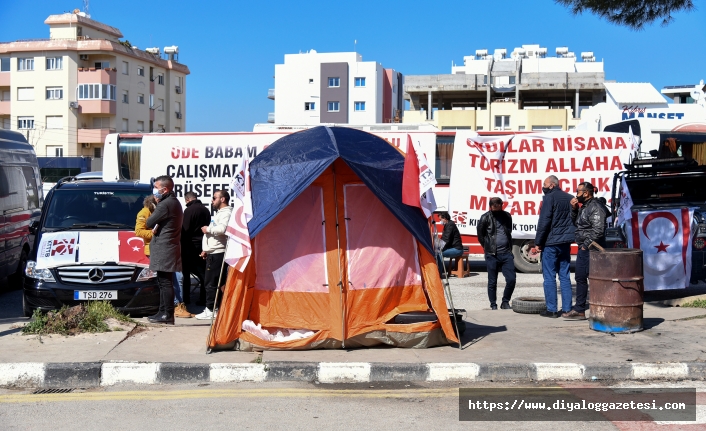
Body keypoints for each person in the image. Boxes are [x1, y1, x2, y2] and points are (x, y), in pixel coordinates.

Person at [136, 195, 192, 319]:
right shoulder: (144, 212)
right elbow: (139, 231)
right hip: (153, 248)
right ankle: (170, 308)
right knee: (166, 281)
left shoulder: (167, 208)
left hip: (165, 248)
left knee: (173, 280)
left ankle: (173, 307)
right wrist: (152, 233)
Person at [531, 175, 576, 318]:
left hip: (551, 242)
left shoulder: (549, 198)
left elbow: (544, 221)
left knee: (549, 276)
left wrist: (538, 242)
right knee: (565, 276)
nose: (543, 187)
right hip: (565, 242)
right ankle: (567, 309)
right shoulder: (569, 197)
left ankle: (552, 310)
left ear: (552, 185)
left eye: (544, 184)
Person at [145, 175, 184, 324]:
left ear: (165, 189)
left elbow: (149, 222)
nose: (154, 190)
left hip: (165, 247)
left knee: (165, 282)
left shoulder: (165, 204)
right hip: (167, 247)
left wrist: (156, 204)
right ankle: (162, 312)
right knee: (163, 281)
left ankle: (167, 314)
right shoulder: (173, 202)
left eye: (156, 187)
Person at [565, 182, 606, 320]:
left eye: (578, 191)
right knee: (580, 277)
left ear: (586, 193)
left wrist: (585, 245)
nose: (576, 194)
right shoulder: (585, 207)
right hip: (585, 247)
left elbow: (598, 230)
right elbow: (577, 223)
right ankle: (580, 309)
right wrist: (574, 209)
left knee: (592, 279)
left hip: (591, 249)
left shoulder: (595, 207)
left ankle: (598, 309)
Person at [194, 190, 233, 320]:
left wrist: (208, 229)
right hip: (213, 252)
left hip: (218, 253)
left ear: (222, 199)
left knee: (211, 283)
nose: (212, 200)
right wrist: (207, 249)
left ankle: (211, 309)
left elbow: (223, 229)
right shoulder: (220, 213)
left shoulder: (226, 213)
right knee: (215, 282)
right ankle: (216, 308)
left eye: (214, 198)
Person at [477, 197, 516, 310]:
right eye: (492, 207)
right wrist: (487, 247)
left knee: (511, 279)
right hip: (492, 255)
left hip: (506, 253)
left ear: (501, 205)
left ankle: (505, 302)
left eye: (497, 206)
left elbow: (509, 231)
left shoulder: (507, 216)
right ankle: (493, 305)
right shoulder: (485, 217)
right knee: (492, 281)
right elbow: (480, 235)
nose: (494, 209)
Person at [181, 191, 211, 305]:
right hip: (203, 244)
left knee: (186, 274)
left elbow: (185, 230)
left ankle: (186, 299)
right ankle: (204, 298)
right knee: (203, 273)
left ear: (187, 200)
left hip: (190, 246)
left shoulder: (189, 210)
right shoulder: (205, 209)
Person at [436, 212, 464, 276]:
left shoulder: (450, 225)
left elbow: (446, 240)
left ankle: (439, 274)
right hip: (453, 247)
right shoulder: (448, 225)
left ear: (445, 218)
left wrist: (439, 248)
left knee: (439, 253)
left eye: (440, 220)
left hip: (457, 249)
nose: (440, 221)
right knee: (438, 251)